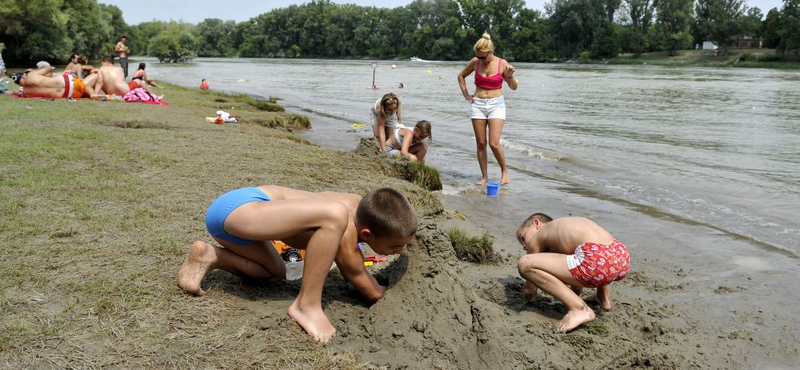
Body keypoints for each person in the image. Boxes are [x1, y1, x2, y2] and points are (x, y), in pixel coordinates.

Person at [176, 186, 418, 344]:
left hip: (237, 218)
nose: (400, 251)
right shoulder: (346, 221)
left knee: (273, 273)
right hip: (244, 208)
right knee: (335, 215)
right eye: (395, 247)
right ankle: (306, 305)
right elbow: (367, 285)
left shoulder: (362, 207)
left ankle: (209, 256)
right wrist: (400, 294)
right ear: (367, 233)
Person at [516, 213, 630, 333]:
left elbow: (530, 290)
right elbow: (574, 278)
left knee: (525, 264)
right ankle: (603, 298)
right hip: (620, 255)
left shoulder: (538, 237)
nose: (524, 246)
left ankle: (579, 309)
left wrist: (525, 299)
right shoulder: (565, 227)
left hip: (596, 260)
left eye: (523, 238)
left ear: (536, 223)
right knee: (589, 254)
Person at [457, 33, 518, 186]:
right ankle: (484, 177)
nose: (480, 59)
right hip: (478, 104)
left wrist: (509, 76)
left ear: (490, 51)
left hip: (496, 104)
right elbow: (461, 76)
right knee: (481, 143)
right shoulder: (475, 62)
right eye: (478, 56)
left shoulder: (502, 63)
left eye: (483, 57)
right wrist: (466, 95)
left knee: (494, 143)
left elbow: (514, 87)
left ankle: (504, 171)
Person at [11, 63, 104, 99]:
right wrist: (34, 71)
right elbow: (48, 68)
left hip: (68, 94)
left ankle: (90, 93)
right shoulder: (31, 76)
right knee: (92, 78)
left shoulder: (26, 94)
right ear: (23, 77)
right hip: (68, 81)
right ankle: (93, 93)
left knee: (83, 88)